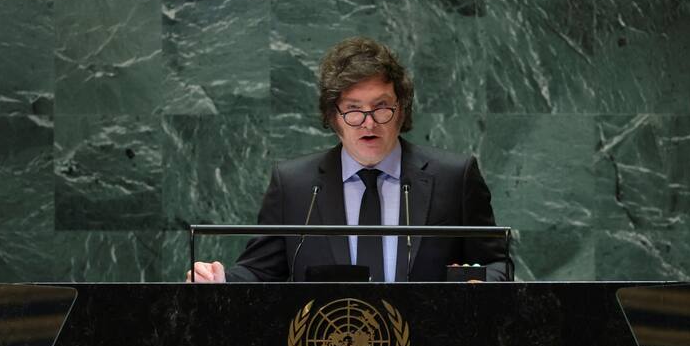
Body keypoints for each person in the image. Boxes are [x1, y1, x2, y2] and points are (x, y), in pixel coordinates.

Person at [188, 37, 512, 283]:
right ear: (334, 117)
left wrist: (477, 284)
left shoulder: (454, 177)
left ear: (402, 110)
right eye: (354, 109)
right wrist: (219, 280)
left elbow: (498, 265)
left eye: (381, 107)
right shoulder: (295, 185)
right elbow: (260, 271)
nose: (368, 123)